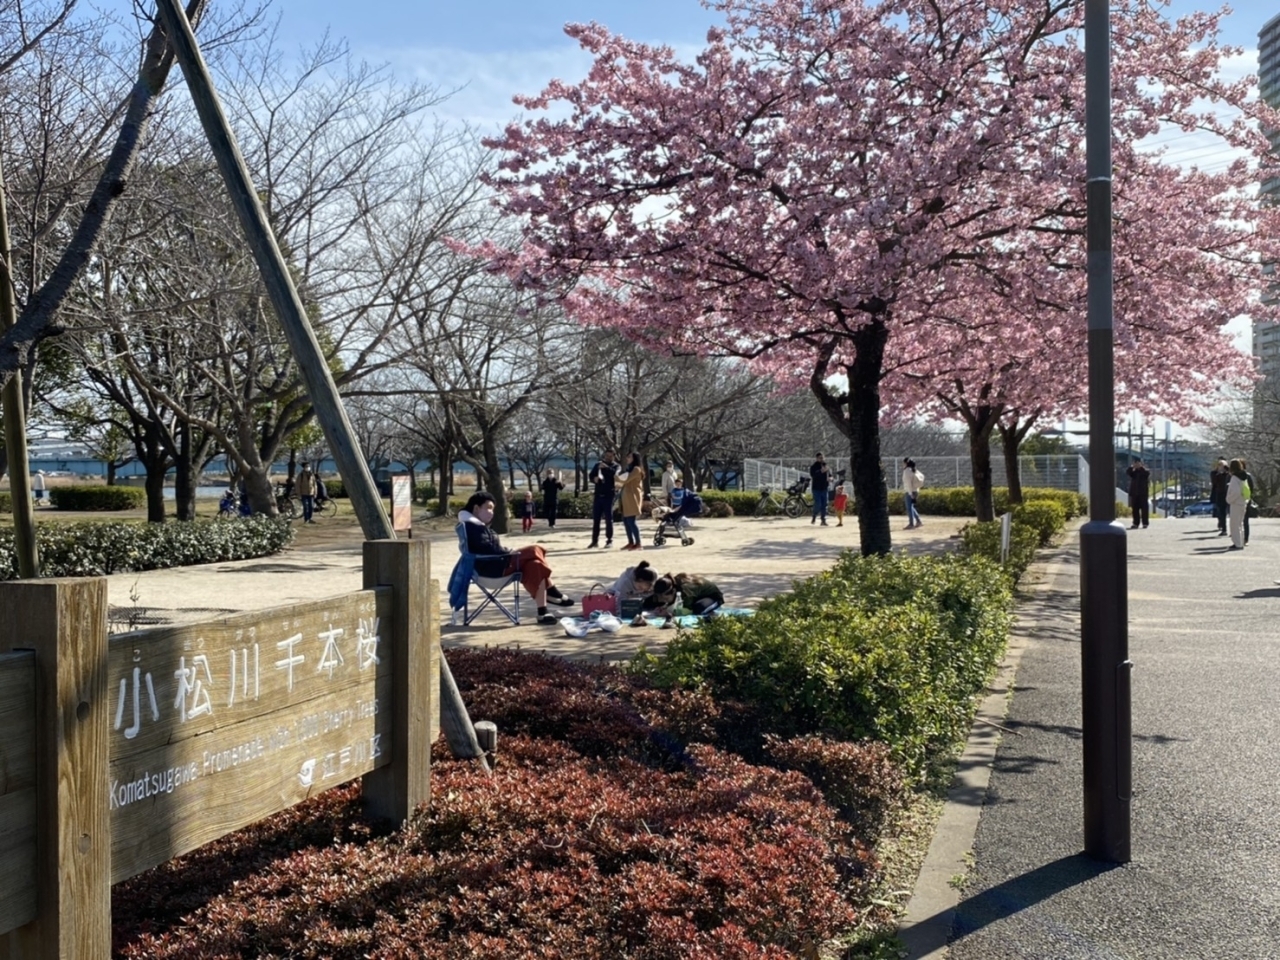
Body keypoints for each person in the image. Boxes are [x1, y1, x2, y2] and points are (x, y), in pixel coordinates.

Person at [460, 492, 575, 624]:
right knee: (536, 549)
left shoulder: (475, 526)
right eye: (489, 508)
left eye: (493, 509)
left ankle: (542, 612)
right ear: (476, 508)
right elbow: (490, 549)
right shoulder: (472, 527)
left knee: (536, 565)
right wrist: (508, 552)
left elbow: (488, 547)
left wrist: (506, 552)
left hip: (494, 565)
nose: (491, 512)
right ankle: (552, 591)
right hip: (494, 569)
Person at [647, 572, 724, 618]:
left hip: (713, 596)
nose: (664, 601)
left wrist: (669, 613)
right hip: (696, 596)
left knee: (698, 609)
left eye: (665, 599)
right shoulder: (671, 584)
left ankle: (713, 610)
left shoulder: (686, 590)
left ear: (673, 592)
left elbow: (687, 611)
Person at [609, 560, 659, 624]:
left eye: (645, 590)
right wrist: (621, 614)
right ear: (635, 581)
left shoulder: (655, 583)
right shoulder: (626, 582)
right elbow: (621, 600)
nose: (641, 591)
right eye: (639, 587)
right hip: (620, 593)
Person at [587, 450, 619, 548]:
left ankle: (609, 540)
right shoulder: (598, 465)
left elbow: (616, 477)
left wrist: (607, 468)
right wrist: (594, 479)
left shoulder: (616, 466)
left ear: (614, 456)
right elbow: (591, 476)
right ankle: (594, 541)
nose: (608, 458)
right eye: (606, 456)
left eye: (610, 456)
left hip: (609, 495)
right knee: (596, 519)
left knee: (609, 519)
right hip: (598, 495)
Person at [617, 451, 645, 550]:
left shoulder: (636, 469)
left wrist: (615, 475)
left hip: (632, 497)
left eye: (629, 457)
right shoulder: (630, 469)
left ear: (634, 458)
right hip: (626, 497)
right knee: (626, 521)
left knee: (631, 521)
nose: (627, 458)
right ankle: (630, 542)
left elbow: (626, 480)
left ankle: (638, 543)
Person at [1225, 458, 1249, 550]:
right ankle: (1241, 542)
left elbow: (1235, 491)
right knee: (1240, 524)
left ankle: (1237, 543)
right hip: (1243, 502)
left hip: (1236, 503)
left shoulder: (1235, 478)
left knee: (1234, 525)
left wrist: (1229, 499)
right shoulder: (1244, 476)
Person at [1127, 458, 1150, 530]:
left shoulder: (1145, 472)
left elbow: (1146, 474)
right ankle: (1135, 523)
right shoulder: (1134, 473)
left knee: (1144, 509)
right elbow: (1128, 472)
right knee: (1135, 509)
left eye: (1138, 463)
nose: (1136, 464)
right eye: (1135, 463)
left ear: (1141, 463)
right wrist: (1132, 467)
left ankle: (1145, 523)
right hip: (1134, 493)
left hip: (1143, 493)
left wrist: (1140, 467)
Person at [809, 453, 831, 525]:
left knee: (824, 504)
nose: (821, 459)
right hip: (816, 488)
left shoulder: (826, 466)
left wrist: (831, 478)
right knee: (818, 504)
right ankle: (814, 516)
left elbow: (830, 475)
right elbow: (813, 475)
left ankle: (823, 520)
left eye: (822, 457)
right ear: (817, 458)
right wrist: (821, 471)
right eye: (820, 458)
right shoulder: (813, 467)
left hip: (824, 487)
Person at [1209, 458, 1230, 535]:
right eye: (1219, 465)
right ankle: (1223, 528)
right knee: (1221, 512)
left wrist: (1226, 472)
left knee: (1231, 512)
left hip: (1229, 494)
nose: (1221, 467)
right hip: (1220, 494)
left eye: (1223, 466)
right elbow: (1214, 482)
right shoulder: (1214, 473)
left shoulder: (1229, 474)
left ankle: (1233, 529)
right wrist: (1219, 473)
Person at [902, 458, 924, 529]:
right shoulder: (914, 470)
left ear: (906, 463)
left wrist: (910, 493)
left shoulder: (907, 471)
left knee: (909, 508)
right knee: (911, 507)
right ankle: (918, 521)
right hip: (916, 490)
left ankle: (911, 524)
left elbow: (908, 483)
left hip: (910, 491)